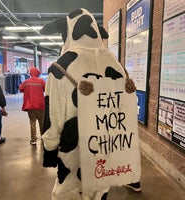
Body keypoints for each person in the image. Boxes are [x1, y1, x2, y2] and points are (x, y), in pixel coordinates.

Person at [40, 8, 140, 200]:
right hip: (106, 144)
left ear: (68, 32)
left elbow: (54, 115)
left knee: (67, 190)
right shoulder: (116, 63)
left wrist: (49, 149)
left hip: (73, 145)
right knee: (99, 189)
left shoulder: (60, 66)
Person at [19, 67, 45, 145]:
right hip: (40, 105)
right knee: (42, 122)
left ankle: (33, 140)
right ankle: (43, 137)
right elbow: (45, 89)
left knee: (32, 122)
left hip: (30, 106)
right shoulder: (41, 81)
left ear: (30, 73)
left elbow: (21, 89)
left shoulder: (26, 82)